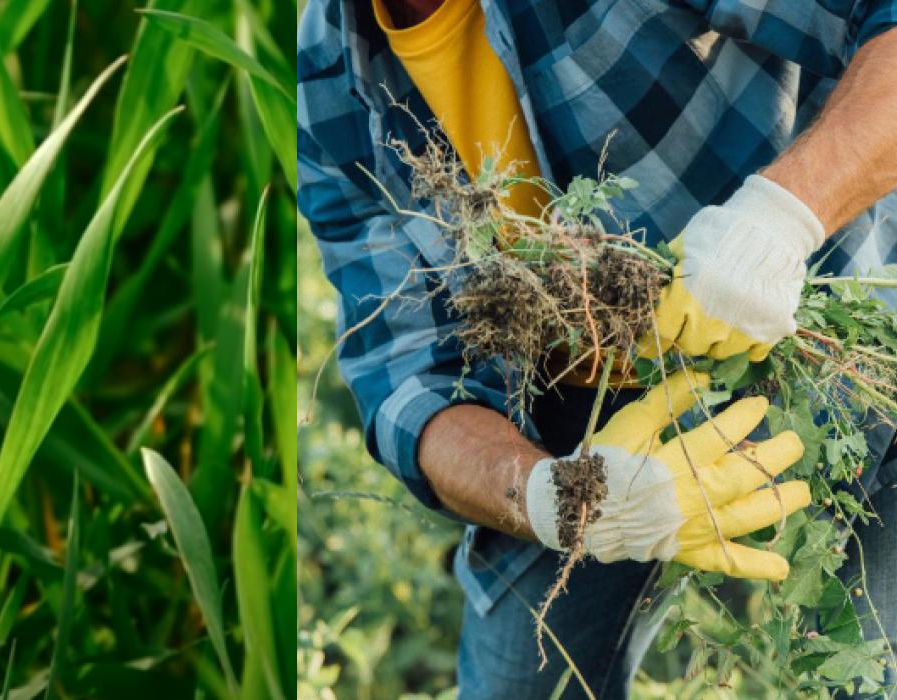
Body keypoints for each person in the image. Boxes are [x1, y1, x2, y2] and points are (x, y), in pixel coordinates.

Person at [296, 0, 897, 696]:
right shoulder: (331, 74)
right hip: (583, 417)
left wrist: (780, 219)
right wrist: (553, 501)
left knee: (865, 670)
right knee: (518, 682)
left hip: (834, 315)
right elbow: (407, 378)